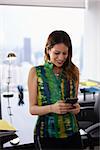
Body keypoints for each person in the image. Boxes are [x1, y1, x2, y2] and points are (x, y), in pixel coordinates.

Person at [28, 30, 82, 150]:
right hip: (46, 135)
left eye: (65, 53)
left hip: (72, 133)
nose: (61, 58)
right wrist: (52, 108)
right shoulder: (36, 72)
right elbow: (32, 109)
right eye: (57, 53)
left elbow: (75, 102)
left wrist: (76, 108)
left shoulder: (74, 71)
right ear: (48, 50)